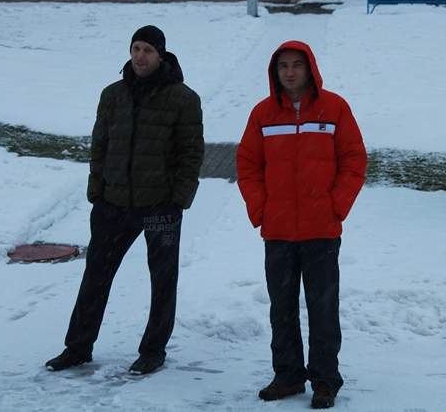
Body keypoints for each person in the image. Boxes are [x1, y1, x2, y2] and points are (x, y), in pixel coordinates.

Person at [46, 25, 204, 375]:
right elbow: (100, 144)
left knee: (162, 281)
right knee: (95, 277)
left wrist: (178, 200)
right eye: (136, 48)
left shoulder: (183, 99)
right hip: (113, 203)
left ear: (161, 56)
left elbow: (191, 153)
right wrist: (97, 192)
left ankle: (153, 350)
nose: (140, 56)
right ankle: (78, 347)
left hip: (160, 206)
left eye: (148, 50)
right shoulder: (112, 94)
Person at [236, 41, 366, 409]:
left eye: (297, 65)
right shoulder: (263, 114)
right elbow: (247, 164)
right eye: (283, 66)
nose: (290, 72)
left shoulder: (334, 108)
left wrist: (335, 205)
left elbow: (354, 159)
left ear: (310, 69)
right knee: (281, 308)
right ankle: (288, 375)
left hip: (321, 229)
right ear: (274, 72)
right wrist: (261, 209)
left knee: (323, 309)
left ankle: (324, 380)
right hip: (278, 230)